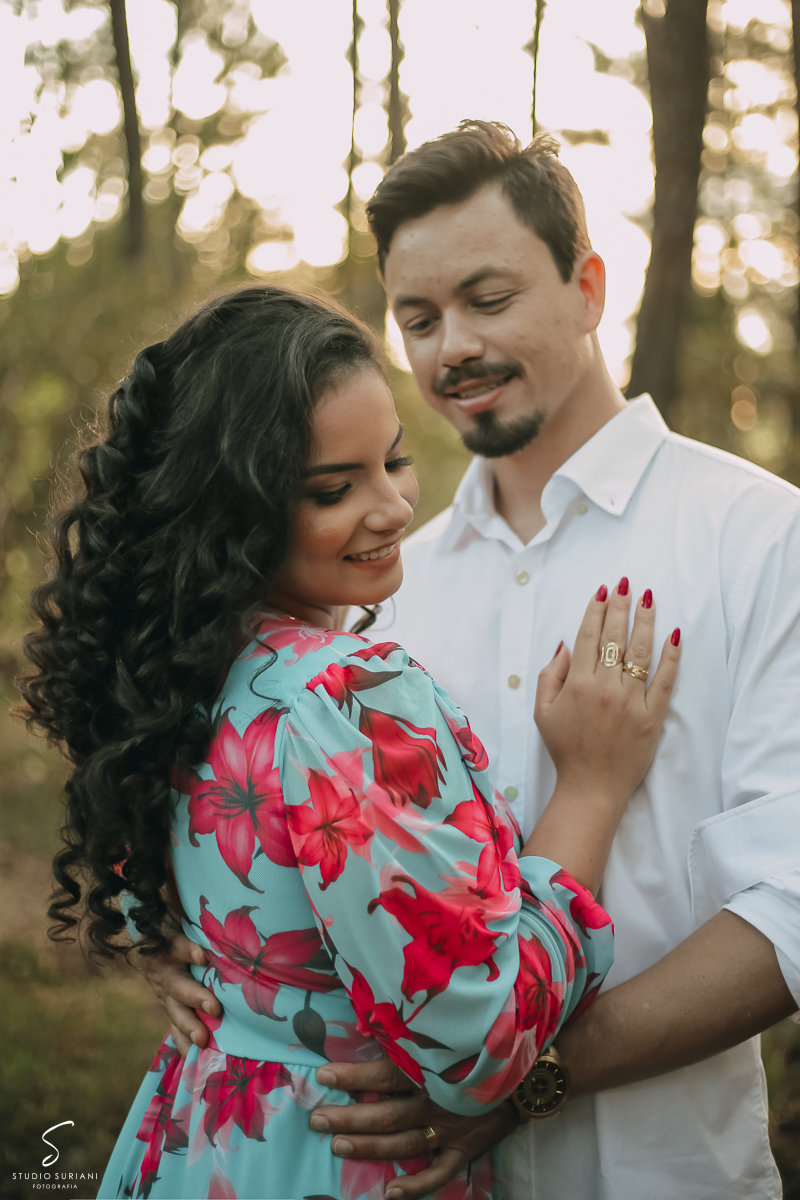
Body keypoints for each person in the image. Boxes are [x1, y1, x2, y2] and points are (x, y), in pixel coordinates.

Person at [149, 122, 800, 1200]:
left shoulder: (758, 539)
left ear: (588, 286)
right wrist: (193, 953)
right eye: (417, 317)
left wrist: (524, 1075)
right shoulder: (376, 595)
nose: (449, 348)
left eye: (486, 300)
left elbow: (789, 907)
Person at [18, 284, 680, 1199]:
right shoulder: (348, 695)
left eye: (394, 462)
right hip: (340, 1158)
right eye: (334, 488)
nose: (395, 507)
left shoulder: (177, 675)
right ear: (228, 509)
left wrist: (177, 949)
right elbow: (480, 1044)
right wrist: (592, 792)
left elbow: (173, 892)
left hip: (203, 1139)